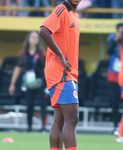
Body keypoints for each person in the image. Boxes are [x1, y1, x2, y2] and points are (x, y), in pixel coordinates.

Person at [38, 0, 81, 150]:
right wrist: (61, 56)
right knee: (72, 118)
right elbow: (43, 30)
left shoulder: (74, 15)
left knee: (61, 119)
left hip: (68, 73)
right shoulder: (61, 10)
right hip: (61, 72)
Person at [9, 31, 47, 132]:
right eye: (33, 37)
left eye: (37, 37)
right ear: (28, 39)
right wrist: (12, 84)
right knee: (29, 104)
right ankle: (29, 127)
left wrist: (48, 82)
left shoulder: (42, 52)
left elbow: (45, 67)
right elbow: (17, 68)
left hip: (41, 82)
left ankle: (43, 128)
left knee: (43, 105)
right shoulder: (23, 53)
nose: (35, 39)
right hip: (29, 83)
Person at [107, 23, 123, 133]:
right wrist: (116, 40)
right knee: (114, 101)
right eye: (120, 31)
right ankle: (115, 126)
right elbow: (108, 52)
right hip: (114, 73)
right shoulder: (112, 37)